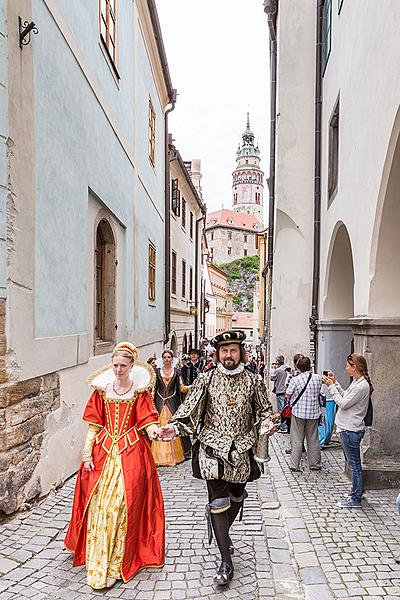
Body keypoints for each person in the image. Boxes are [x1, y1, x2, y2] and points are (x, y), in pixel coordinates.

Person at [157, 330, 279, 587]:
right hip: (212, 450)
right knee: (218, 501)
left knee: (236, 497)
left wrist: (268, 423)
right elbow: (189, 411)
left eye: (233, 350)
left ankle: (223, 532)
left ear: (240, 353)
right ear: (217, 354)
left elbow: (265, 411)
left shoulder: (253, 381)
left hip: (242, 450)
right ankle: (226, 561)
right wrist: (174, 428)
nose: (229, 355)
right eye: (224, 351)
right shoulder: (206, 379)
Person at [64, 342, 164, 590]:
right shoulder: (101, 390)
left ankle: (117, 562)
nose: (118, 369)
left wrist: (154, 431)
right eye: (115, 365)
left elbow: (147, 421)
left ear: (132, 366)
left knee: (122, 504)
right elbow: (94, 425)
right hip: (104, 451)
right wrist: (87, 452)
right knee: (101, 506)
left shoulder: (139, 393)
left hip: (131, 452)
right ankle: (100, 560)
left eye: (123, 365)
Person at [323, 353, 372, 508]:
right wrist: (336, 383)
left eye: (347, 366)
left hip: (351, 429)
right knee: (353, 463)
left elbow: (343, 403)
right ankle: (357, 490)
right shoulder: (357, 382)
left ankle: (356, 498)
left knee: (354, 465)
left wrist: (331, 386)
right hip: (348, 428)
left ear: (354, 367)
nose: (346, 368)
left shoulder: (361, 386)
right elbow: (346, 396)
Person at [151, 349, 191, 465]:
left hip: (173, 401)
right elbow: (154, 388)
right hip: (159, 401)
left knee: (173, 424)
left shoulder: (177, 372)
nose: (166, 359)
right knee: (158, 424)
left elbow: (182, 387)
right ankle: (156, 456)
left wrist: (193, 386)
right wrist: (151, 401)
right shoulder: (157, 372)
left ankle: (178, 454)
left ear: (172, 359)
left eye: (169, 357)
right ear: (162, 359)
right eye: (165, 357)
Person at [286, 356, 322, 472]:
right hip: (313, 412)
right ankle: (315, 464)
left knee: (296, 438)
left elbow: (288, 394)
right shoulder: (317, 378)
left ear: (298, 367)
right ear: (309, 366)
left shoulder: (295, 380)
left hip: (298, 412)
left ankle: (294, 464)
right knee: (313, 439)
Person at [270, 355, 290, 432]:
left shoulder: (278, 370)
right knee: (284, 408)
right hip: (285, 390)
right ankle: (285, 426)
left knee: (281, 410)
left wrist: (273, 369)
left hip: (279, 390)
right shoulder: (286, 369)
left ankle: (283, 426)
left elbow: (272, 378)